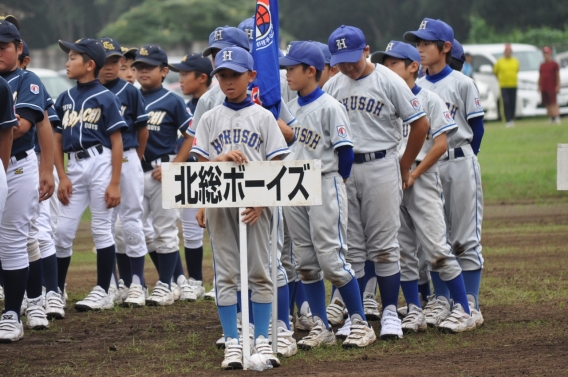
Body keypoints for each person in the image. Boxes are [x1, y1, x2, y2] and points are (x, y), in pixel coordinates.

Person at [323, 25, 430, 340]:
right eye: (341, 60)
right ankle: (356, 317)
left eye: (353, 58)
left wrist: (405, 163)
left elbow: (421, 124)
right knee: (353, 248)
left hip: (382, 163)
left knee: (384, 246)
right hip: (344, 170)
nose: (348, 66)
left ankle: (389, 313)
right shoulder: (332, 87)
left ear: (366, 50)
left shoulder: (388, 79)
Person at [193, 46, 289, 369]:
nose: (229, 81)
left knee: (261, 271)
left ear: (252, 76)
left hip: (256, 205)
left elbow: (279, 163)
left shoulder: (263, 117)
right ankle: (233, 342)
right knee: (226, 274)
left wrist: (264, 200)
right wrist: (218, 163)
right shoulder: (209, 118)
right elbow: (198, 166)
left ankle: (261, 339)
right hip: (220, 204)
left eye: (235, 75)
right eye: (223, 75)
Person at [372, 40, 476, 333]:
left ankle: (464, 310)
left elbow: (441, 144)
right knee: (403, 249)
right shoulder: (388, 100)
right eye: (385, 63)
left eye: (393, 63)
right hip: (393, 178)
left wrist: (414, 173)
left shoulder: (430, 99)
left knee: (436, 248)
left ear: (413, 67)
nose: (387, 68)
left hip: (421, 177)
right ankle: (415, 309)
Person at [280, 40, 377, 349]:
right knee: (305, 262)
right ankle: (321, 328)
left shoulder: (330, 106)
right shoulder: (291, 108)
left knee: (332, 259)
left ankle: (360, 323)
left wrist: (338, 181)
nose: (286, 75)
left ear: (312, 71)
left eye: (292, 69)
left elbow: (345, 151)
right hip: (294, 184)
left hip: (323, 180)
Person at [404, 18, 485, 329]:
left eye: (426, 43)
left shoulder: (463, 83)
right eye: (418, 43)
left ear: (446, 47)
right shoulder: (417, 88)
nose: (420, 48)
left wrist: (463, 159)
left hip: (460, 160)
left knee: (465, 236)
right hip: (429, 165)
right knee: (435, 236)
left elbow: (476, 130)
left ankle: (471, 303)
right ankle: (441, 301)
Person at [53, 38, 127, 312]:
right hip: (74, 165)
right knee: (61, 231)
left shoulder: (106, 97)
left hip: (100, 162)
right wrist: (61, 175)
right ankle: (56, 290)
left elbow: (117, 141)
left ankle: (102, 290)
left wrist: (115, 182)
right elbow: (57, 139)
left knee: (100, 228)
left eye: (73, 57)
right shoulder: (65, 98)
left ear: (89, 65)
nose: (67, 62)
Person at [0, 20, 55, 341]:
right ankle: (31, 298)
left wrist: (47, 169)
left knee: (15, 237)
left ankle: (17, 310)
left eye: (4, 47)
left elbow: (26, 126)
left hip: (18, 166)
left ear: (19, 49)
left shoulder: (27, 79)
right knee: (22, 238)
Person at [132, 44, 194, 306]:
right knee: (136, 231)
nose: (143, 71)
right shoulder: (131, 96)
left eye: (149, 67)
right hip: (135, 170)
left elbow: (191, 135)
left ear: (164, 70)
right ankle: (153, 281)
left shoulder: (172, 100)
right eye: (139, 66)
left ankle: (165, 285)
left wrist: (175, 166)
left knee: (165, 231)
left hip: (162, 170)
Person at [98, 37, 150, 307]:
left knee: (130, 219)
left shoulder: (129, 91)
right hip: (98, 160)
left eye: (115, 61)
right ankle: (110, 284)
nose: (110, 67)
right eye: (105, 61)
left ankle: (137, 283)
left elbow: (143, 130)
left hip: (127, 155)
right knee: (104, 224)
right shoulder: (87, 92)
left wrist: (135, 158)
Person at [168, 53, 213, 301]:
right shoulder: (185, 105)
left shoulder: (213, 102)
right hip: (188, 169)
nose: (181, 79)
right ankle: (195, 280)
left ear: (202, 77)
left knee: (216, 227)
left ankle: (222, 279)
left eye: (186, 74)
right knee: (190, 229)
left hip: (209, 169)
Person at [493, 44, 519, 127]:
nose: (508, 53)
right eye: (507, 51)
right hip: (504, 85)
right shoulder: (500, 61)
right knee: (506, 102)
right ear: (504, 52)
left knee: (512, 102)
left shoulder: (515, 61)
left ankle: (512, 118)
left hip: (513, 84)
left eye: (509, 51)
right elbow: (495, 72)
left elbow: (517, 70)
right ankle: (507, 119)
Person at [539, 46, 561, 124]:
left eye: (547, 54)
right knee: (547, 103)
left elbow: (557, 75)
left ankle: (557, 116)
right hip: (544, 86)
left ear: (550, 54)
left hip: (552, 86)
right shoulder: (542, 65)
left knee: (553, 102)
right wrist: (539, 85)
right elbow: (540, 76)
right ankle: (551, 117)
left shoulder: (554, 64)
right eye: (544, 54)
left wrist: (558, 85)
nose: (545, 55)